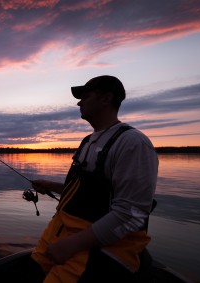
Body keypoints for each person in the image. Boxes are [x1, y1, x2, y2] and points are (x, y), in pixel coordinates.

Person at [30, 75, 158, 283]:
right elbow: (90, 194)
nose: (79, 102)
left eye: (85, 96)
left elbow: (131, 214)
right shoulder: (88, 141)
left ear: (106, 99)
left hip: (95, 250)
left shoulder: (133, 143)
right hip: (59, 236)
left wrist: (72, 244)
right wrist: (51, 186)